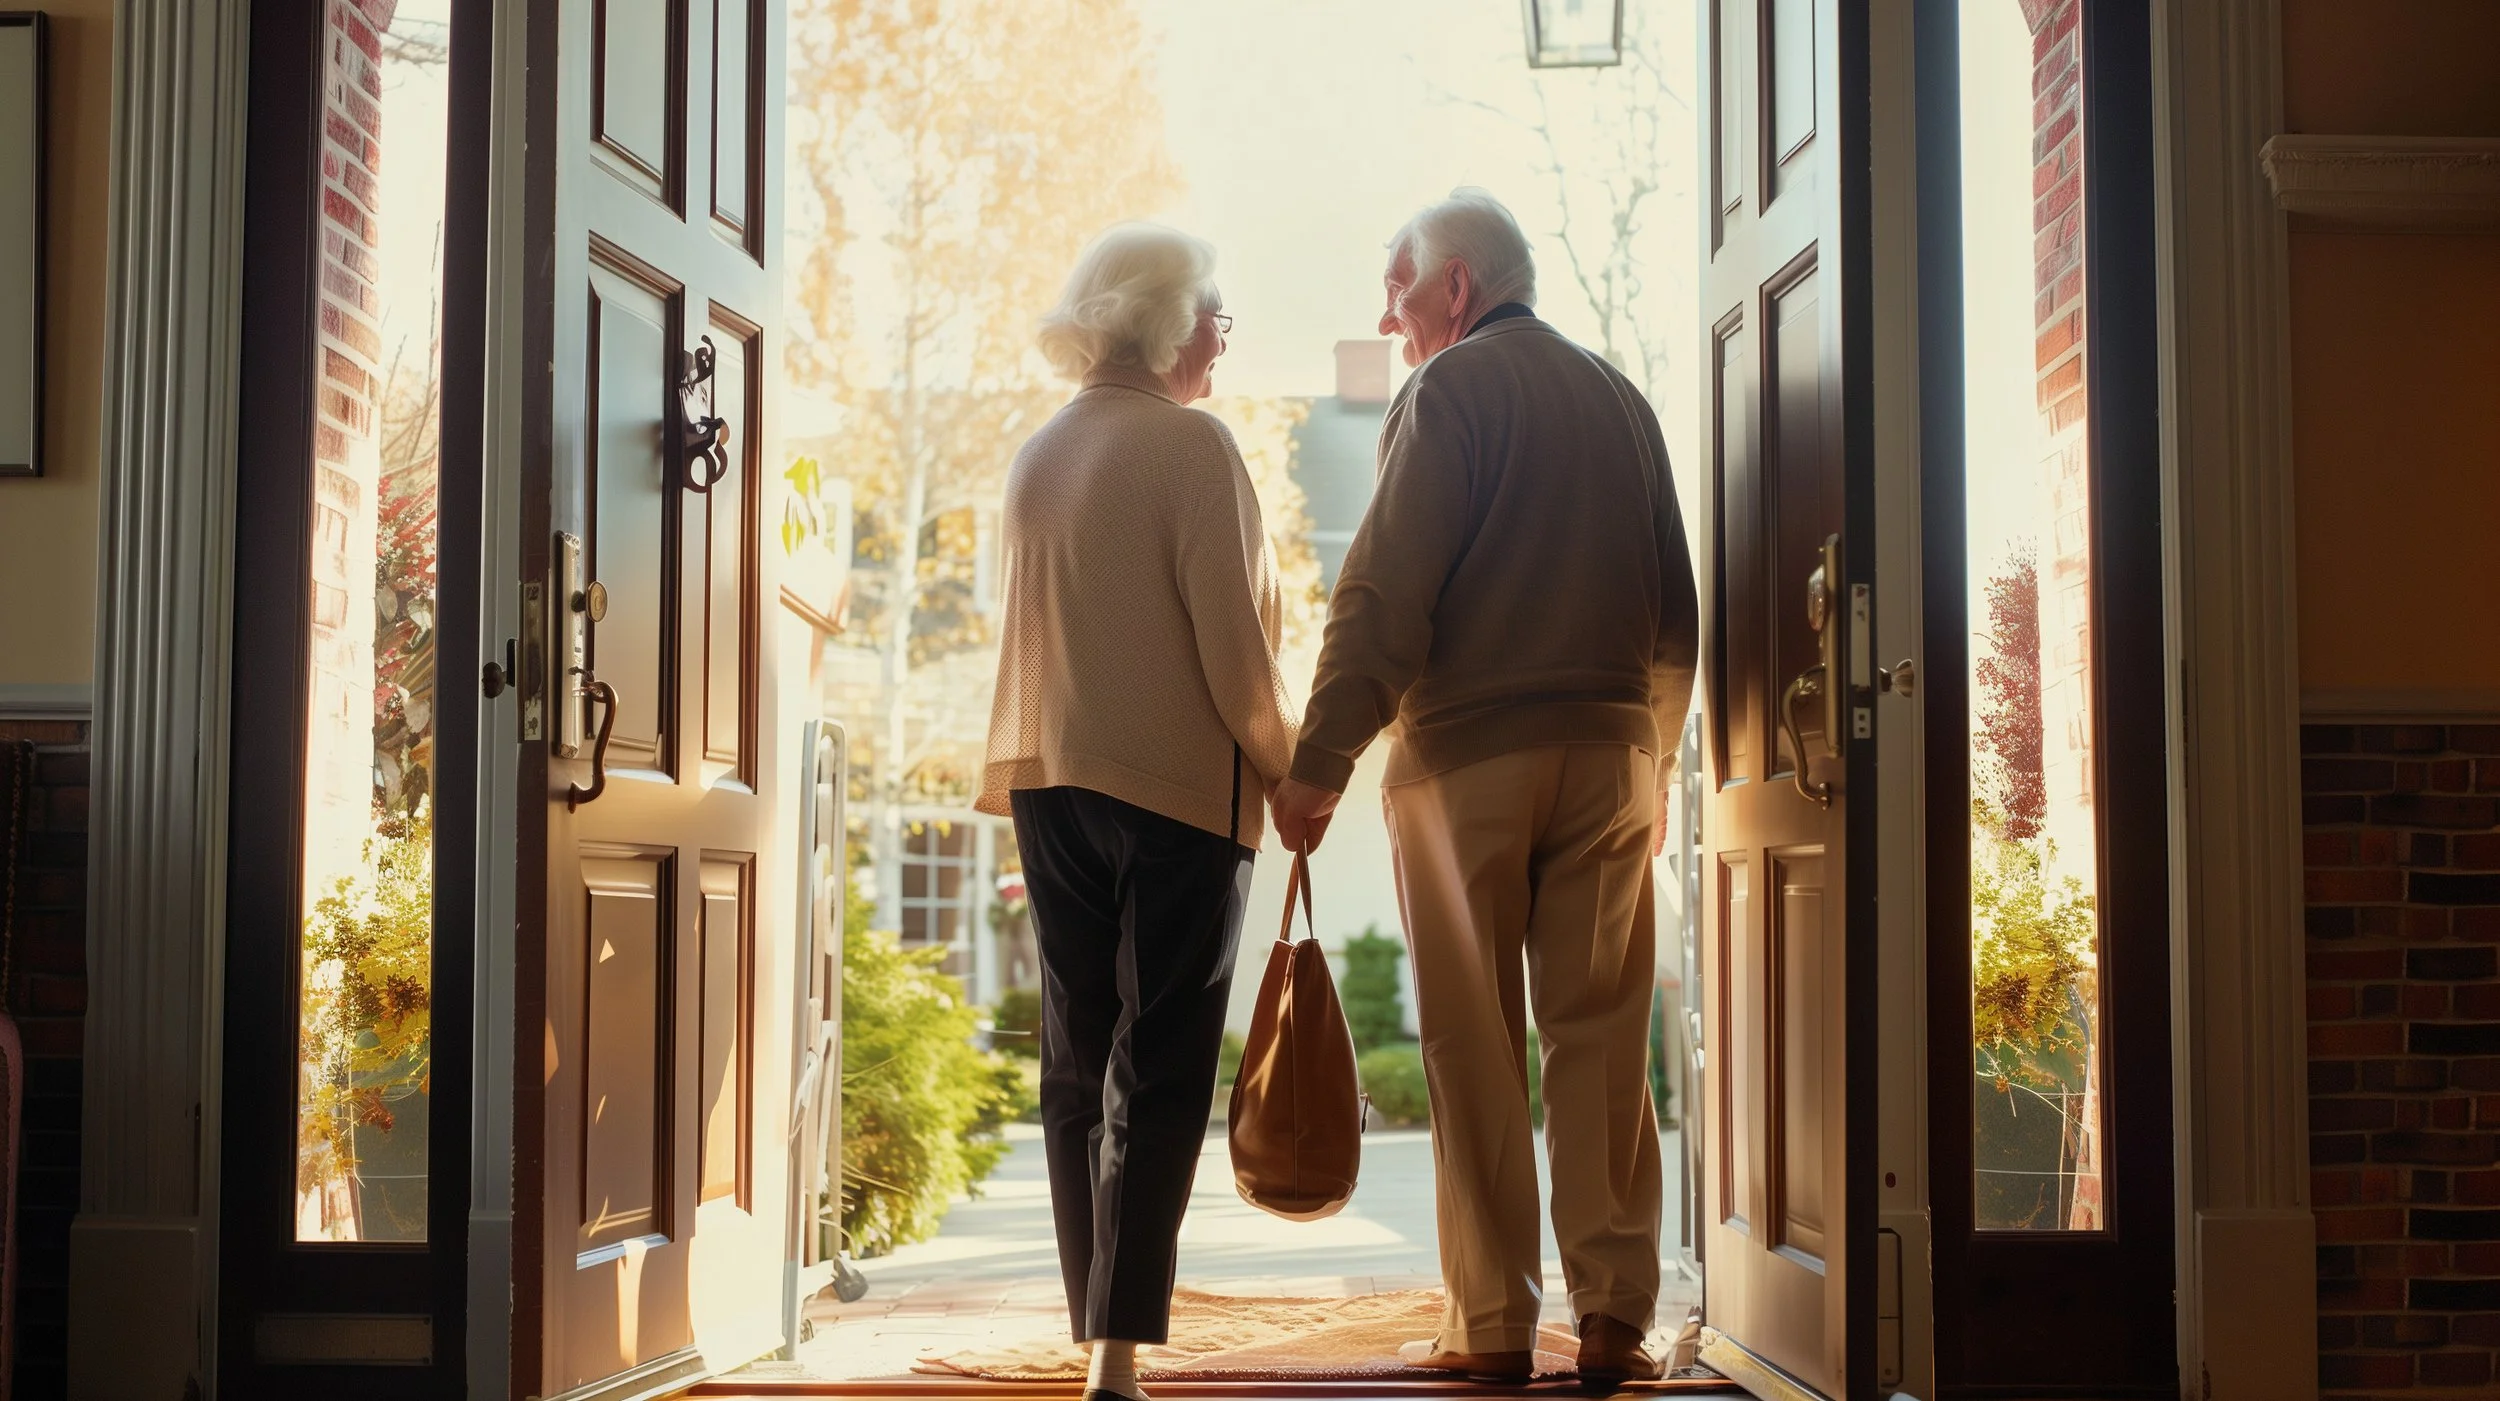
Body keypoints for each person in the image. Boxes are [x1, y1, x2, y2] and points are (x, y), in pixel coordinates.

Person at [1270, 189, 1700, 1388]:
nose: (1389, 314)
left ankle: (1494, 1328)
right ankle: (1615, 1317)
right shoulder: (1623, 401)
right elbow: (1677, 615)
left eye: (1399, 288)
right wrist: (1653, 760)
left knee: (1473, 1043)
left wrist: (1321, 761)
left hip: (1467, 762)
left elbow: (1382, 594)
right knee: (1603, 1040)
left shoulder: (1447, 393)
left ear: (1455, 288)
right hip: (1613, 753)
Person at [974, 223, 1298, 1401]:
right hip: (1175, 800)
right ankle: (1117, 1358)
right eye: (1213, 307)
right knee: (1159, 1068)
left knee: (1077, 1063)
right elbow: (1237, 652)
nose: (1222, 330)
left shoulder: (1038, 452)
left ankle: (1092, 1333)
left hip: (1049, 786)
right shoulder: (1192, 447)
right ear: (1163, 320)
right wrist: (1292, 769)